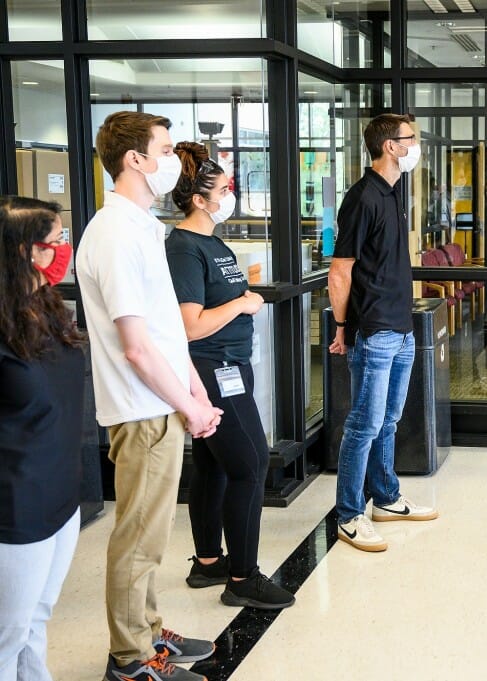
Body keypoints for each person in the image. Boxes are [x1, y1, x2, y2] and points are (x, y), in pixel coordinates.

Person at [76, 111, 223, 681]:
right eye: (163, 150)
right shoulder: (112, 233)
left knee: (153, 536)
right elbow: (136, 347)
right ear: (134, 159)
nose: (172, 161)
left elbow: (164, 327)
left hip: (163, 403)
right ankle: (131, 660)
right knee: (138, 538)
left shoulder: (142, 226)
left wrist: (196, 389)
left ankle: (149, 630)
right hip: (142, 410)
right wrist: (187, 405)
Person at [165, 142, 295, 610]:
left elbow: (216, 296)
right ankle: (242, 578)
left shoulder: (213, 242)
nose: (230, 196)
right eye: (224, 190)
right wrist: (242, 302)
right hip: (213, 367)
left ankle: (207, 562)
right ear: (199, 199)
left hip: (233, 362)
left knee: (214, 462)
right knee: (251, 463)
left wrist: (243, 286)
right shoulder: (182, 248)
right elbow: (190, 324)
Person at [328, 113, 438, 553]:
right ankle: (349, 513)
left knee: (389, 421)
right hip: (373, 331)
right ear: (391, 146)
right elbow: (340, 271)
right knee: (364, 424)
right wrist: (341, 327)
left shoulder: (394, 192)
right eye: (412, 139)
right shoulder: (362, 198)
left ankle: (386, 498)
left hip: (401, 327)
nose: (417, 146)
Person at [0, 196, 84, 681]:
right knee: (7, 637)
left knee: (36, 622)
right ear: (21, 252)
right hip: (15, 510)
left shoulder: (46, 307)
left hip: (59, 498)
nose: (63, 250)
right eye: (54, 242)